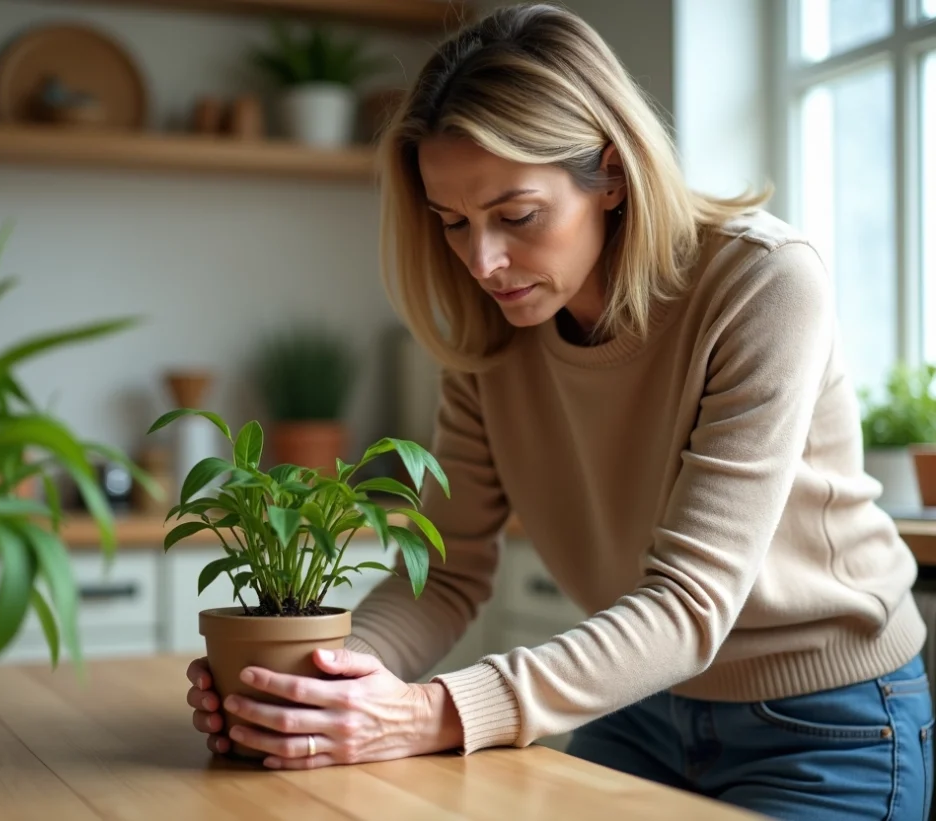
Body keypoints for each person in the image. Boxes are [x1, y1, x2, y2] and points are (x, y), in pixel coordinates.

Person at [185, 4, 934, 819]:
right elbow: (444, 568)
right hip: (636, 704)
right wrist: (323, 689)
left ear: (610, 173)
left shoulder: (761, 283)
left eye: (516, 216)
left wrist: (432, 710)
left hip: (824, 720)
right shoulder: (490, 331)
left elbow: (691, 605)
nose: (482, 260)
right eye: (453, 224)